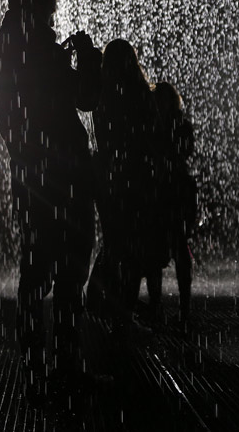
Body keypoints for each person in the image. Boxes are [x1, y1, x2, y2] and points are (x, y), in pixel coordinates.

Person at [0, 0, 101, 392]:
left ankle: (33, 370)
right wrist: (86, 59)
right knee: (69, 276)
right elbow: (86, 99)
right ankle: (65, 363)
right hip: (66, 178)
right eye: (49, 15)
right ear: (33, 10)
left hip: (31, 179)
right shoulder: (43, 55)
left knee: (35, 275)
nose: (53, 24)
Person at [89, 39, 159, 330]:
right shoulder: (142, 94)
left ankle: (100, 297)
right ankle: (121, 307)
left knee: (114, 240)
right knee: (131, 245)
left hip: (106, 175)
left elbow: (105, 136)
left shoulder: (101, 94)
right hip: (135, 177)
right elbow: (150, 139)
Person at [152, 81, 198, 326]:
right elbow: (187, 151)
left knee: (166, 249)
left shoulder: (155, 124)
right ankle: (180, 308)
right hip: (176, 190)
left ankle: (165, 307)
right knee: (174, 248)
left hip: (167, 191)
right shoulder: (180, 125)